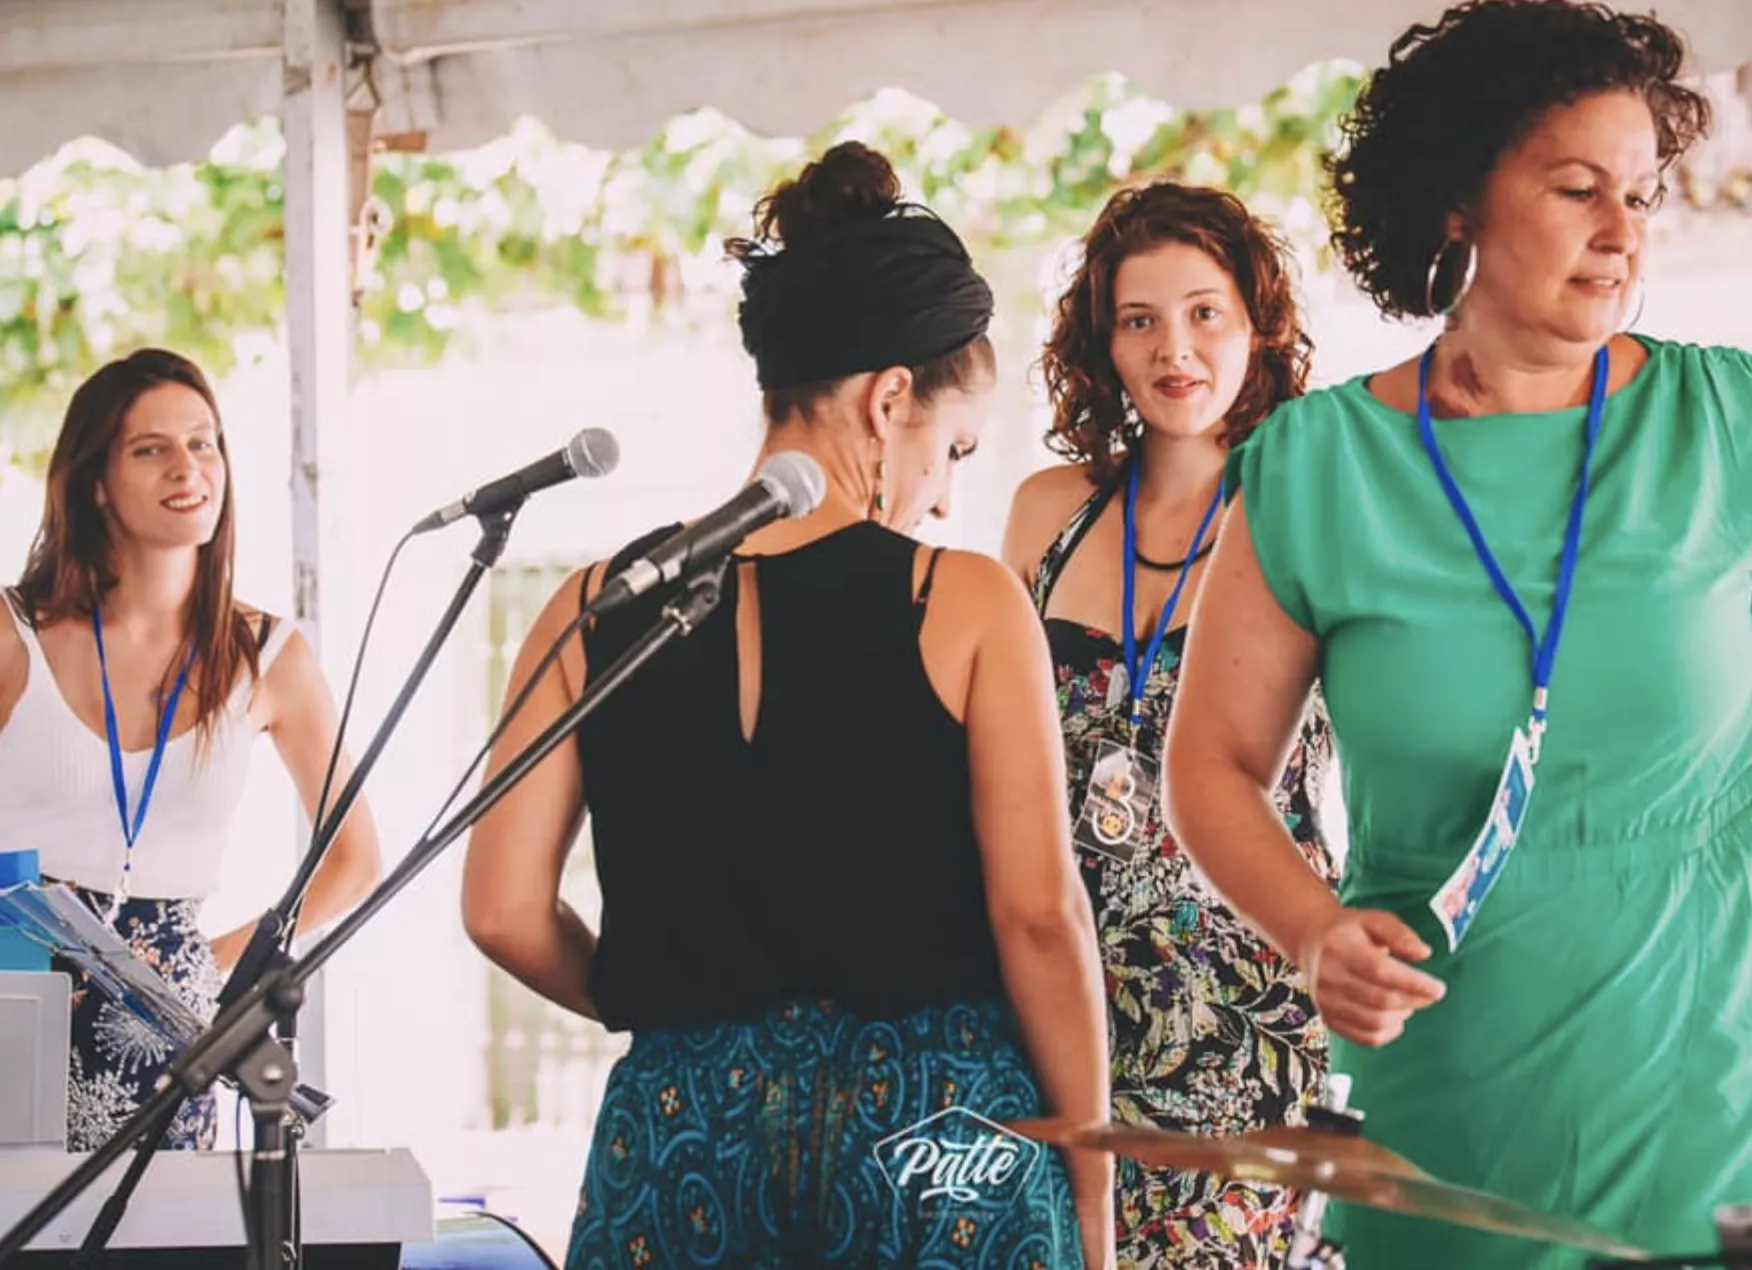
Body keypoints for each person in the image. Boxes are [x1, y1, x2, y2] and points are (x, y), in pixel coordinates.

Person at [1161, 3, 1752, 1266]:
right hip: (1458, 1134)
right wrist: (1311, 927)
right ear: (1460, 198)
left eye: (1644, 193)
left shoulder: (1728, 420)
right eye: (1578, 189)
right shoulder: (1314, 468)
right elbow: (1209, 767)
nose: (1623, 233)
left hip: (1745, 1095)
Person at [462, 142, 1115, 1270]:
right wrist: (1093, 1194)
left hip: (681, 1138)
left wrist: (677, 1018)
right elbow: (1039, 920)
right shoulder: (959, 598)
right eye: (950, 448)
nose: (947, 490)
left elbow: (502, 911)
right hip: (931, 1133)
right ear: (888, 396)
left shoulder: (593, 605)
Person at [1002, 182, 1336, 1269]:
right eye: (1137, 320)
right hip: (1061, 988)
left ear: (1257, 326)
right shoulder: (1048, 513)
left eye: (1203, 312)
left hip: (1245, 1012)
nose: (1172, 348)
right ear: (1101, 344)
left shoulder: (1310, 507)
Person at [0, 348, 383, 1151]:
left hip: (167, 1018)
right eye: (152, 449)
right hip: (14, 987)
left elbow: (354, 858)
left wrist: (209, 967)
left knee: (160, 1241)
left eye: (204, 442)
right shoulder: (14, 635)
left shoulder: (269, 653)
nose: (189, 467)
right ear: (95, 480)